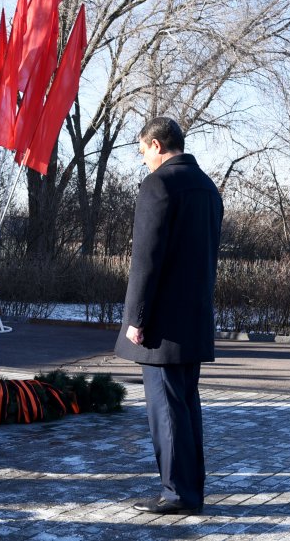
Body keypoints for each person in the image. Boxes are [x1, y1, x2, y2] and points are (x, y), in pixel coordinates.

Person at [115, 117, 222, 515]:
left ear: (157, 145)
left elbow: (147, 259)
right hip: (194, 317)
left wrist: (137, 318)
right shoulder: (207, 187)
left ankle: (177, 494)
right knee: (185, 406)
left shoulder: (159, 184)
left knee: (166, 409)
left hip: (161, 323)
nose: (143, 160)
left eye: (143, 151)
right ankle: (191, 490)